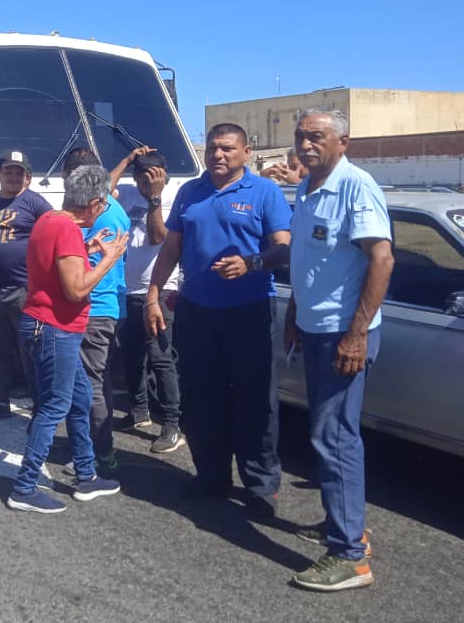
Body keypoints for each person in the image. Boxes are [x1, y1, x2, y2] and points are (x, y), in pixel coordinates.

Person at [145, 123, 291, 518]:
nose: (218, 155)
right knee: (202, 395)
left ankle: (260, 486)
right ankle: (211, 475)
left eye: (227, 149)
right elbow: (171, 247)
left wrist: (252, 263)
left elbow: (283, 249)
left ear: (246, 152)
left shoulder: (265, 192)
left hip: (250, 310)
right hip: (197, 310)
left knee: (255, 399)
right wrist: (154, 295)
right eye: (212, 148)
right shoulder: (190, 193)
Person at [285, 109, 392, 592]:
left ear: (343, 142)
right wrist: (293, 314)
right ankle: (343, 525)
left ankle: (351, 555)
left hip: (342, 334)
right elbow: (307, 261)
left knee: (336, 439)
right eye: (301, 136)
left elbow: (382, 258)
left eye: (318, 137)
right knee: (325, 434)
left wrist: (357, 333)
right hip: (315, 328)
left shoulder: (356, 186)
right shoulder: (308, 189)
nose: (307, 144)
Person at [6, 165, 127, 514]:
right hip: (54, 328)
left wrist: (85, 247)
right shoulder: (66, 230)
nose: (102, 210)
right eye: (102, 205)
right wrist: (108, 258)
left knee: (80, 398)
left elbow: (54, 263)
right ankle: (25, 486)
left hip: (47, 326)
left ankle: (87, 476)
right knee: (54, 406)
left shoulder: (51, 220)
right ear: (92, 202)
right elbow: (76, 290)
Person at [58, 148, 130, 478]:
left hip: (93, 307)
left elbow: (79, 263)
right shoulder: (111, 205)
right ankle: (98, 447)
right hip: (107, 306)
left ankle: (99, 454)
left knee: (88, 386)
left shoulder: (95, 211)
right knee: (97, 383)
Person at [0, 150, 53, 417]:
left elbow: (56, 233)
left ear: (26, 177)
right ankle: (1, 402)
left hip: (24, 289)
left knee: (29, 350)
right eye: (9, 171)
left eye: (19, 172)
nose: (14, 176)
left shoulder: (36, 204)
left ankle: (41, 408)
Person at [115, 149, 186, 453]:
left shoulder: (173, 196)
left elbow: (160, 237)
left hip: (160, 290)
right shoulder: (128, 191)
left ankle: (172, 425)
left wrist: (154, 197)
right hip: (128, 290)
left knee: (160, 358)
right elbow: (99, 188)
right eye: (143, 180)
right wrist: (127, 160)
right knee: (130, 355)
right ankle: (139, 411)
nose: (148, 184)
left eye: (155, 176)